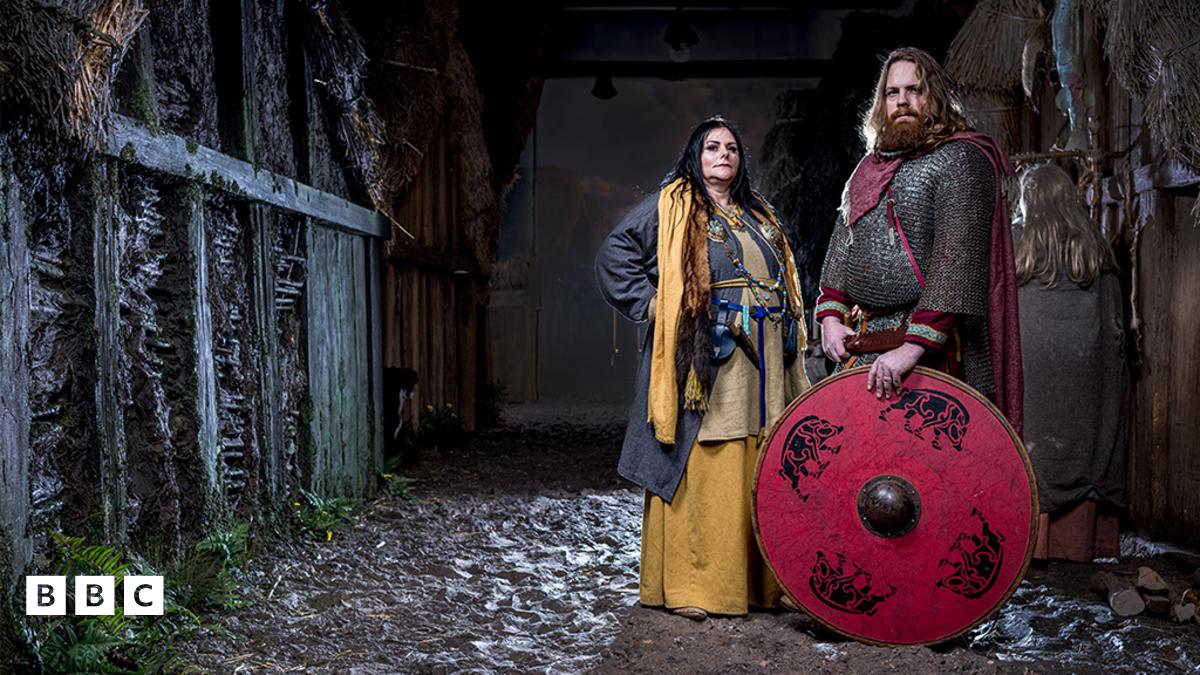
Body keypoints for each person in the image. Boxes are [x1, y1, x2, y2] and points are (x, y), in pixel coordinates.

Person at [595, 116, 809, 620]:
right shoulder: (674, 205)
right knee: (705, 458)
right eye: (712, 147)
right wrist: (659, 306)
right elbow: (614, 255)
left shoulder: (757, 213)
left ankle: (760, 584)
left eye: (732, 148)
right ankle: (693, 586)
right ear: (696, 155)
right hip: (706, 356)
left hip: (765, 361)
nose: (723, 155)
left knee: (759, 459)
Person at [816, 47, 1022, 431]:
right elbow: (842, 249)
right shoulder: (869, 168)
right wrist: (830, 318)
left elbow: (955, 262)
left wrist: (911, 350)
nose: (903, 101)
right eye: (892, 93)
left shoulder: (960, 159)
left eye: (915, 90)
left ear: (935, 97)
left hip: (936, 354)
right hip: (867, 345)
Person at [1015, 163, 1126, 562]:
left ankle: (1036, 544)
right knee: (1086, 437)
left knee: (1035, 442)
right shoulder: (1093, 242)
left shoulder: (1017, 242)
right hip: (1085, 363)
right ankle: (1079, 544)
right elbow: (1112, 318)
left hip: (1032, 363)